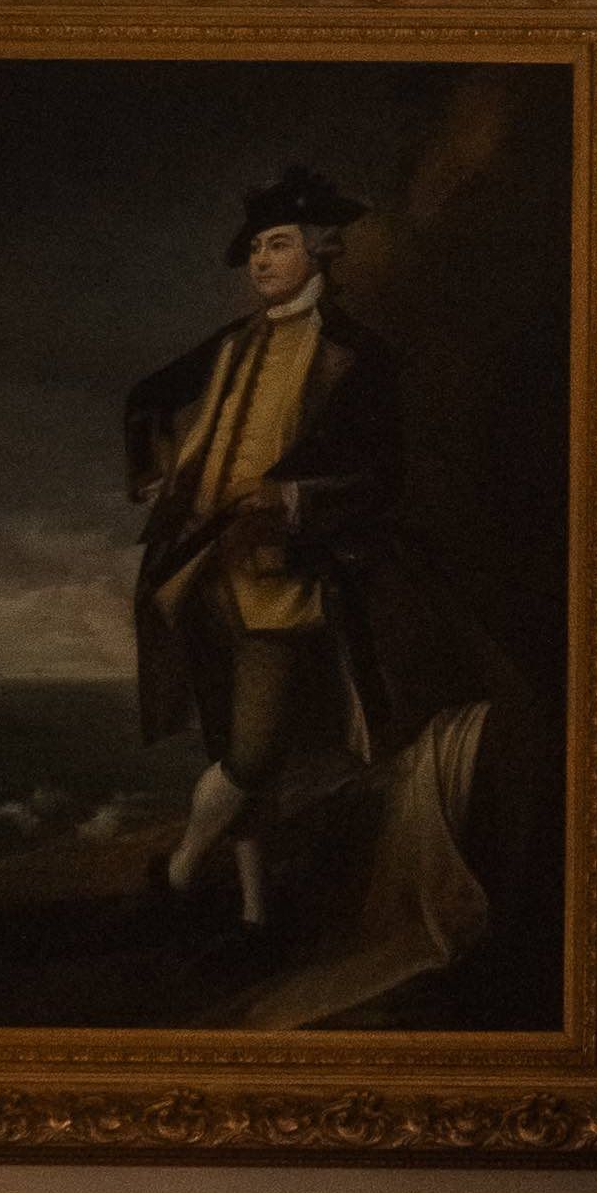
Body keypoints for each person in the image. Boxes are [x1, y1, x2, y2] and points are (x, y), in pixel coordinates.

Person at [124, 164, 406, 927]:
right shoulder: (231, 343)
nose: (259, 262)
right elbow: (147, 394)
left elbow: (387, 477)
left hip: (287, 576)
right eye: (254, 250)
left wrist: (288, 496)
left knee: (249, 754)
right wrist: (155, 471)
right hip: (204, 570)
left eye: (276, 246)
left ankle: (181, 869)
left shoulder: (357, 355)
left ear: (320, 251)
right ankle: (255, 916)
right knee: (240, 754)